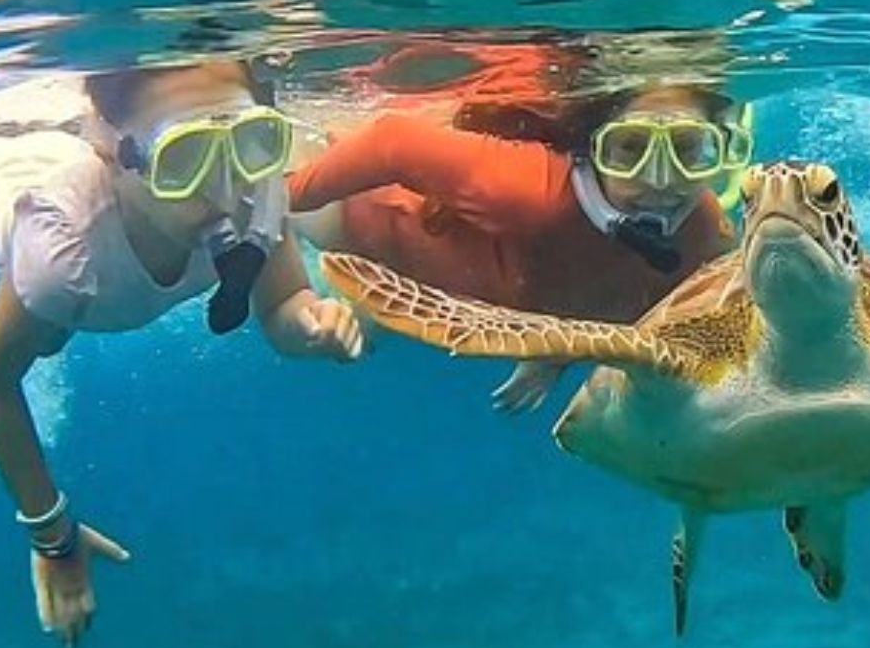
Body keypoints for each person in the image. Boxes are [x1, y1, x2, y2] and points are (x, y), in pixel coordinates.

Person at [0, 59, 365, 648]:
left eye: (248, 140)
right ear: (110, 150)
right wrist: (53, 538)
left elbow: (282, 303)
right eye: (184, 156)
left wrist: (310, 325)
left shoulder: (254, 187)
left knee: (52, 326)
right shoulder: (61, 252)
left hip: (53, 183)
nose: (223, 186)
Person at [287, 66, 750, 413]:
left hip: (434, 280)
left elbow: (634, 305)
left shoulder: (704, 234)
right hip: (358, 217)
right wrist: (284, 195)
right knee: (269, 210)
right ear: (591, 149)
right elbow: (391, 140)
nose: (660, 178)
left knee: (359, 344)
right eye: (629, 148)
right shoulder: (527, 188)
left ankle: (363, 306)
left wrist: (557, 352)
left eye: (690, 150)